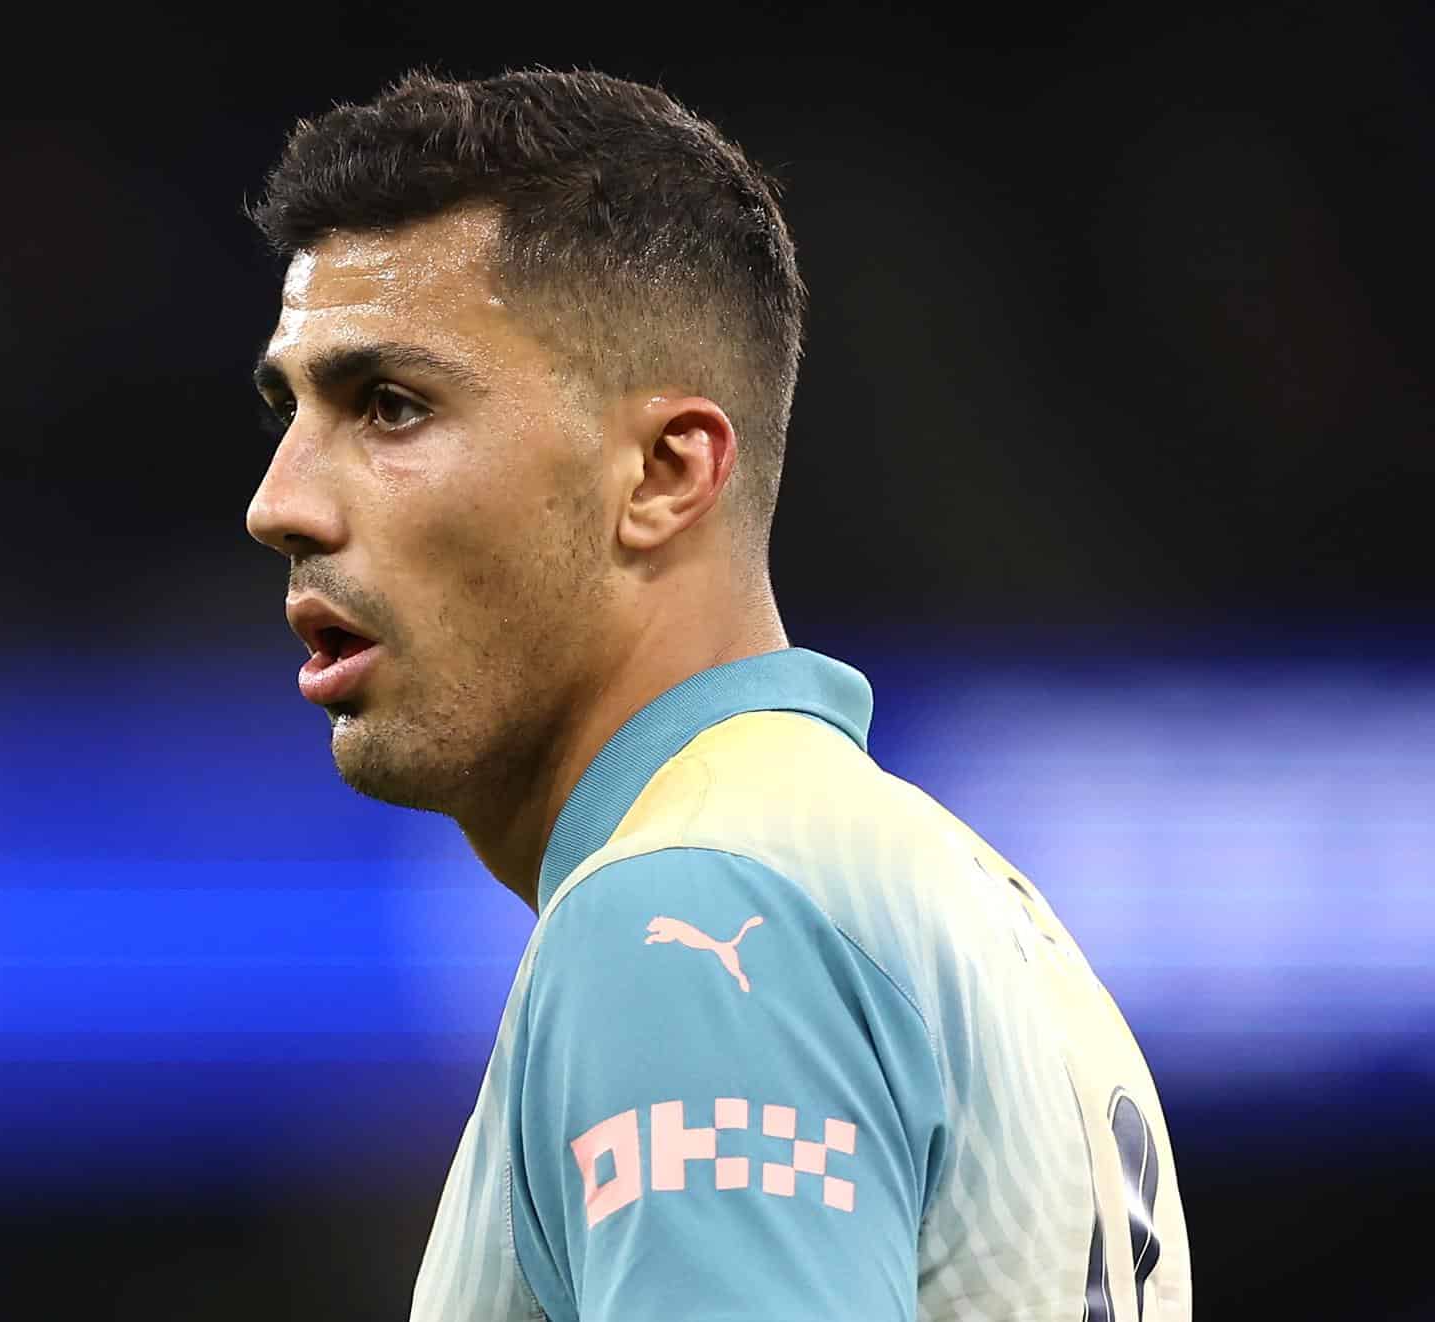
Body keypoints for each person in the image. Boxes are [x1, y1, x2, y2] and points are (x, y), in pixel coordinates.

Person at [243, 68, 1191, 1322]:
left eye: (391, 406)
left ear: (663, 472)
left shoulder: (689, 910)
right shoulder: (976, 907)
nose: (279, 502)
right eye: (290, 409)